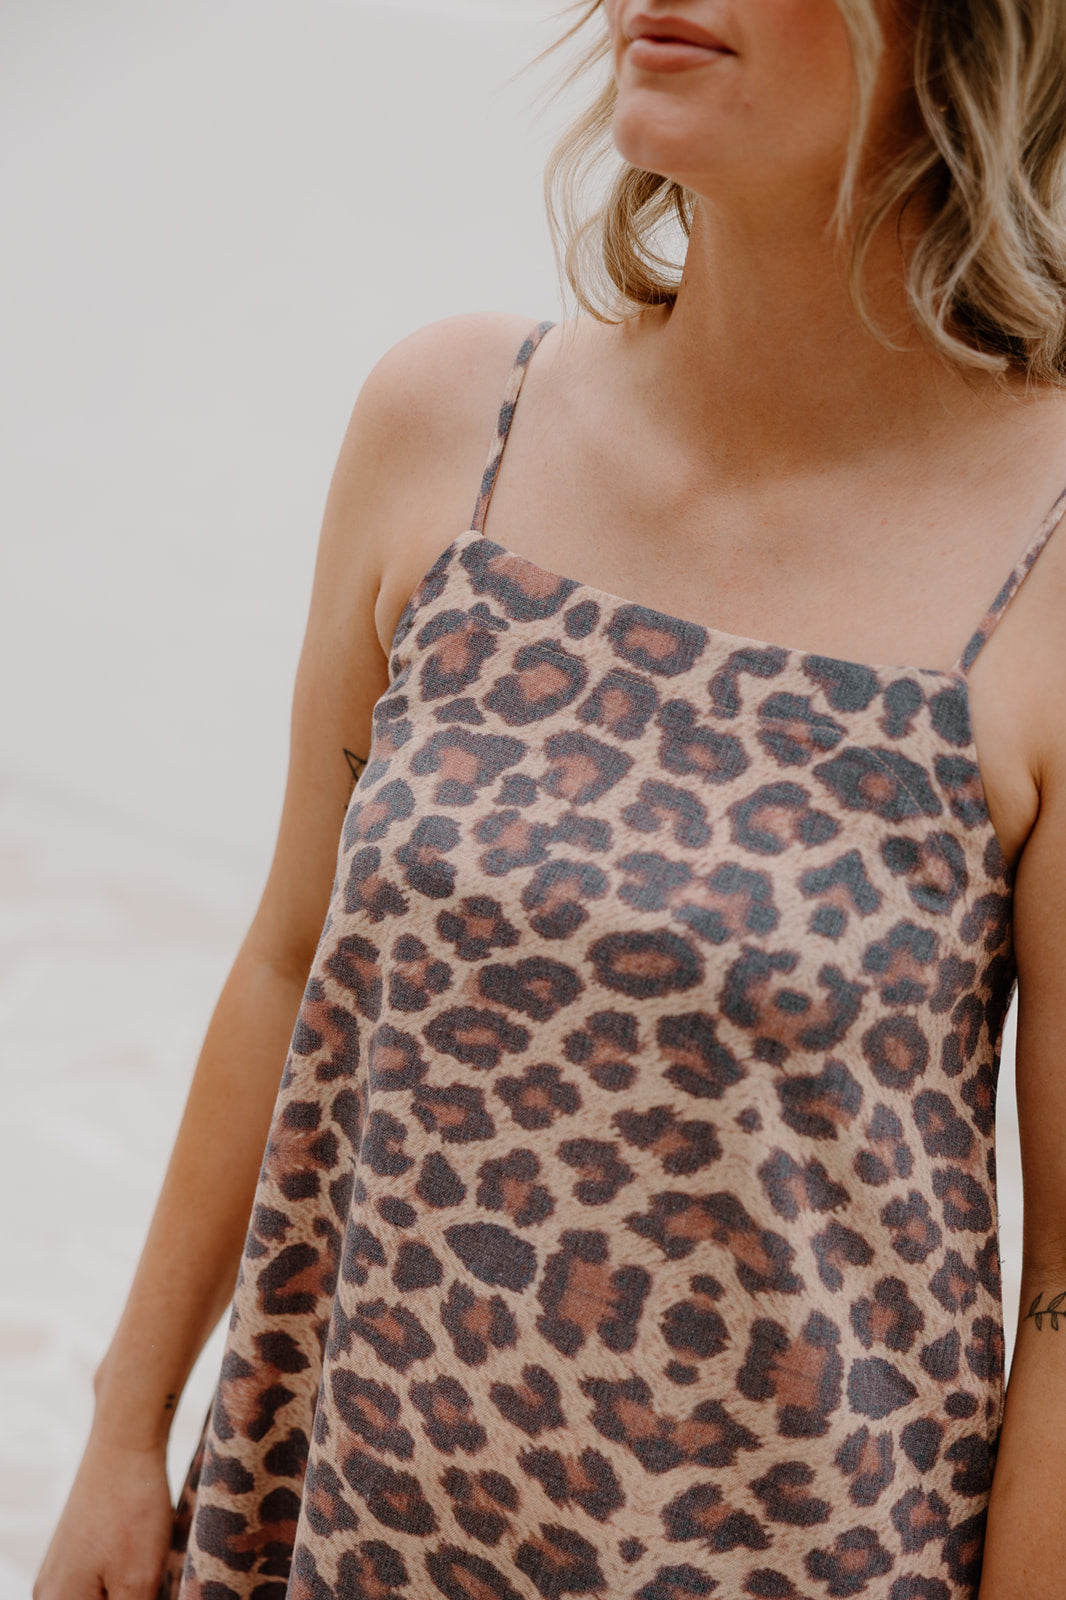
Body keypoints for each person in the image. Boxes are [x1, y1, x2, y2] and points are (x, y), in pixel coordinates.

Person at [34, 0, 1066, 1595]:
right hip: (350, 1523)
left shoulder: (1045, 558)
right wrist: (123, 1436)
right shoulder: (450, 424)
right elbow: (286, 958)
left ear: (964, 37)